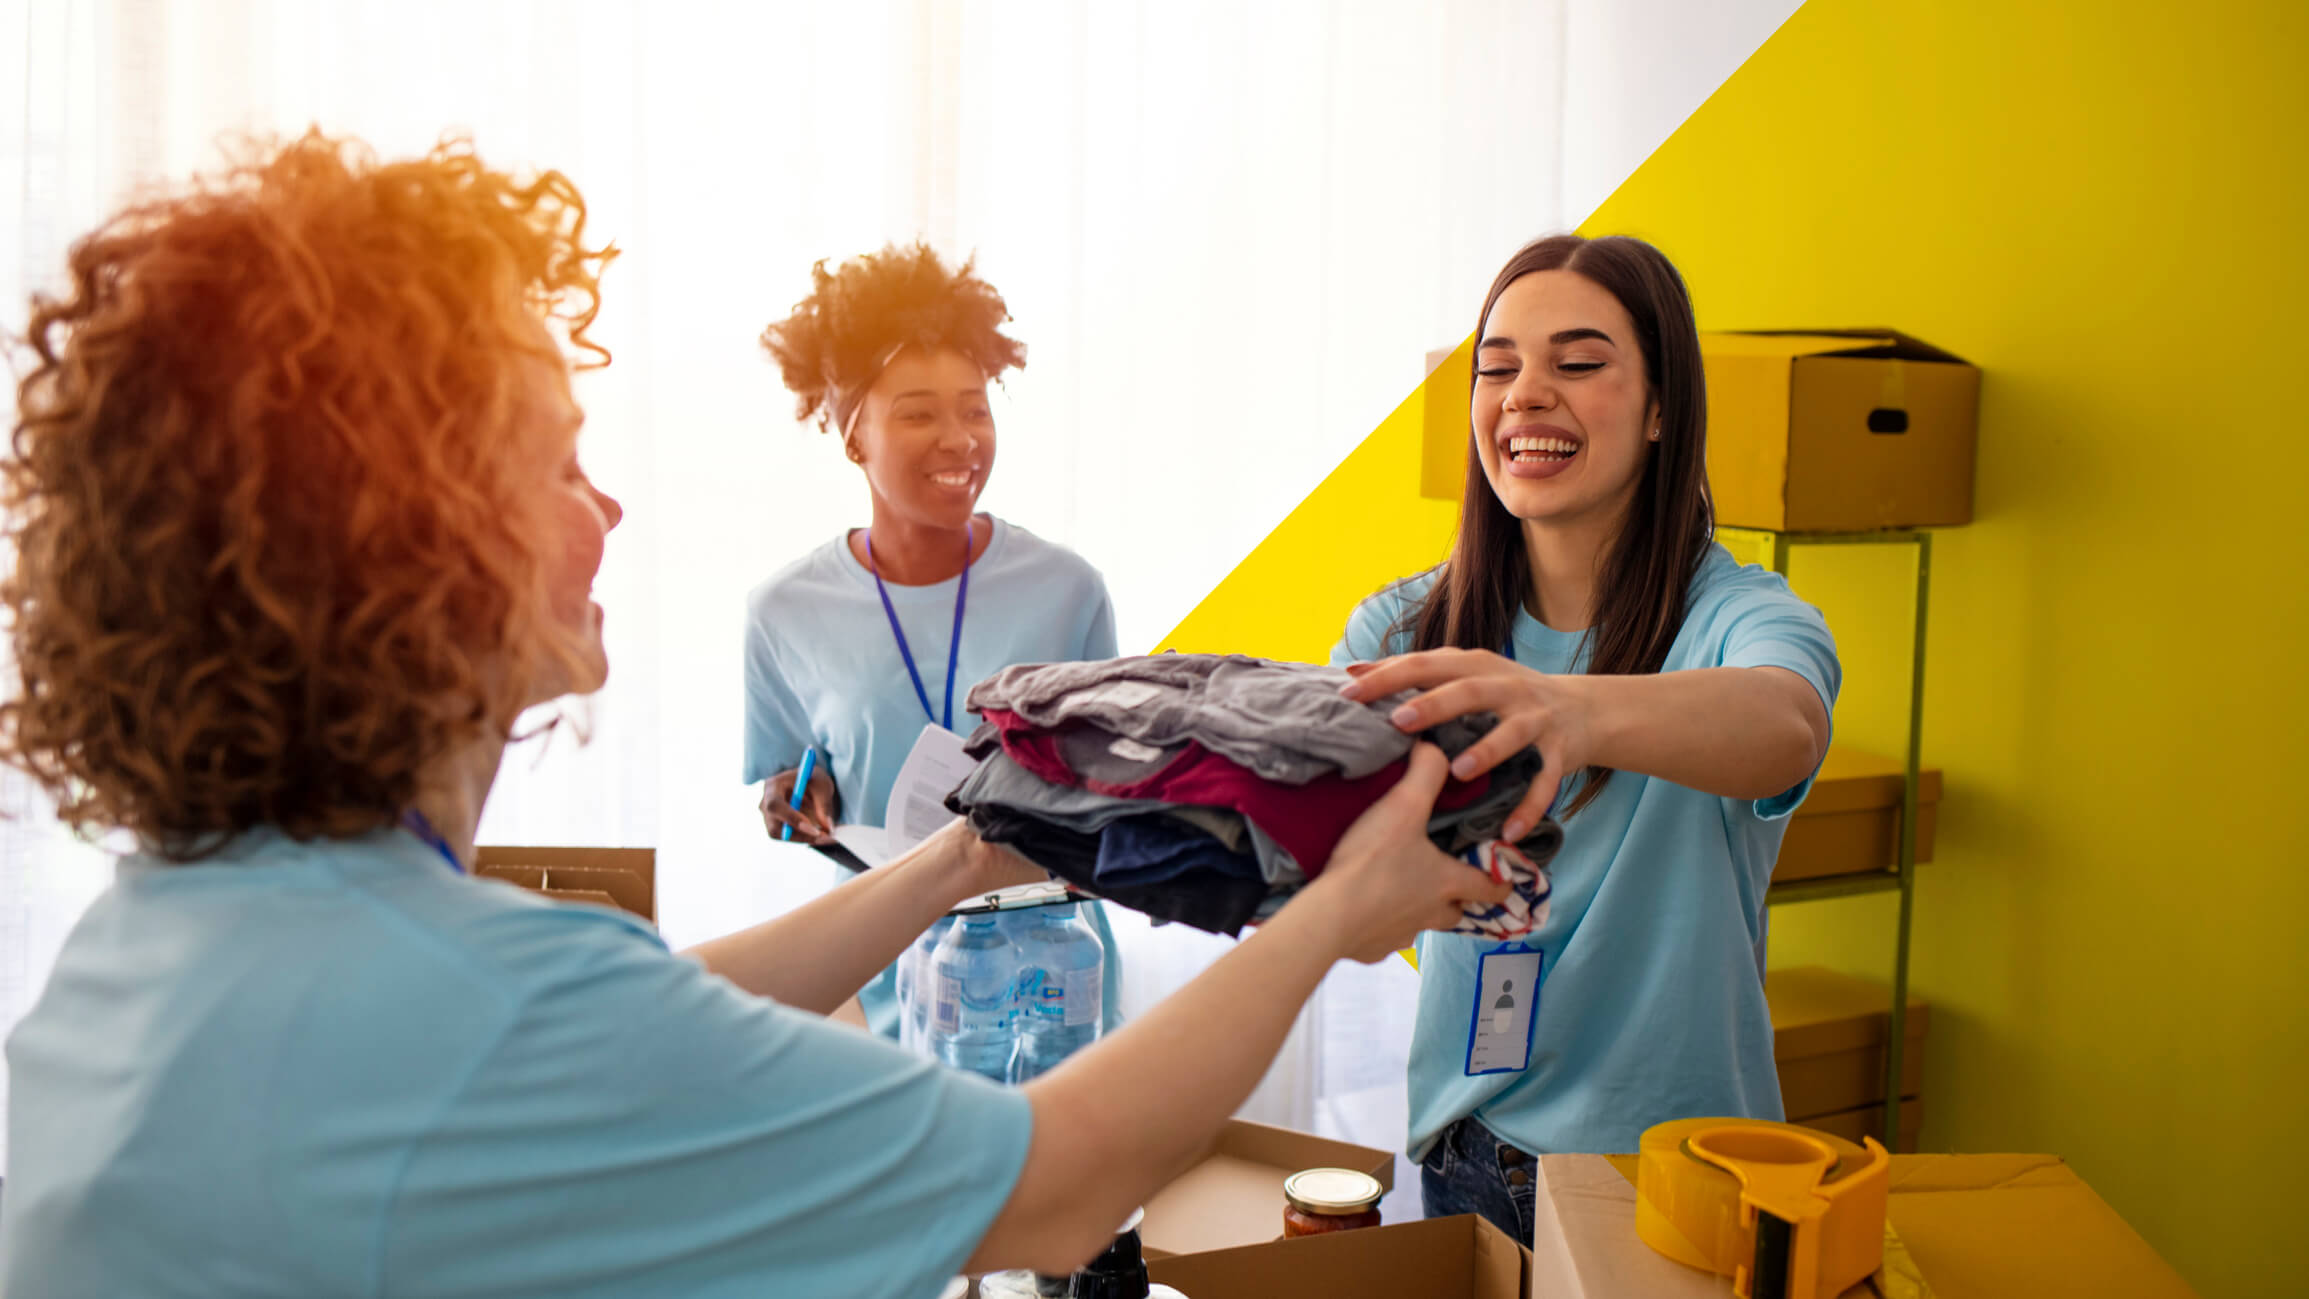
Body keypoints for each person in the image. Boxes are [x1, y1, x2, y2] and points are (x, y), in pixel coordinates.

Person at [0, 132, 1509, 1298]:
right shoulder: (480, 994)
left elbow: (646, 1006)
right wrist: (1336, 911)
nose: (608, 502)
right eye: (554, 460)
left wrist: (960, 854)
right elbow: (1059, 1179)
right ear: (402, 532)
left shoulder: (178, 931)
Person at [1331, 234, 1841, 1245]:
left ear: (1661, 410)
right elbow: (1357, 914)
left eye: (1576, 363)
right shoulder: (1401, 635)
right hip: (1465, 1147)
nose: (1524, 395)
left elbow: (1785, 724)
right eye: (1497, 367)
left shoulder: (1738, 617)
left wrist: (1568, 711)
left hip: (1670, 1172)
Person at [749, 244, 1121, 1039]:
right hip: (879, 975)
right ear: (854, 436)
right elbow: (785, 788)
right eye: (918, 412)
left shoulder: (1069, 589)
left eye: (975, 408)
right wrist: (789, 804)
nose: (958, 439)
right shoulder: (782, 610)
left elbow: (1110, 792)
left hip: (1049, 983)